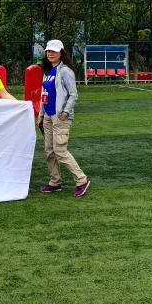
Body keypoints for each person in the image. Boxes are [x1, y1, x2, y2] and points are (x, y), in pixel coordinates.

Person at [38, 39, 90, 197]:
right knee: (49, 151)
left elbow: (73, 94)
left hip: (60, 116)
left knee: (60, 150)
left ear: (61, 53)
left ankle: (81, 179)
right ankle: (55, 182)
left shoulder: (65, 71)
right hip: (48, 115)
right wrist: (41, 115)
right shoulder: (48, 71)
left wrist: (66, 112)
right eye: (48, 51)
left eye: (54, 51)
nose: (50, 54)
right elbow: (44, 94)